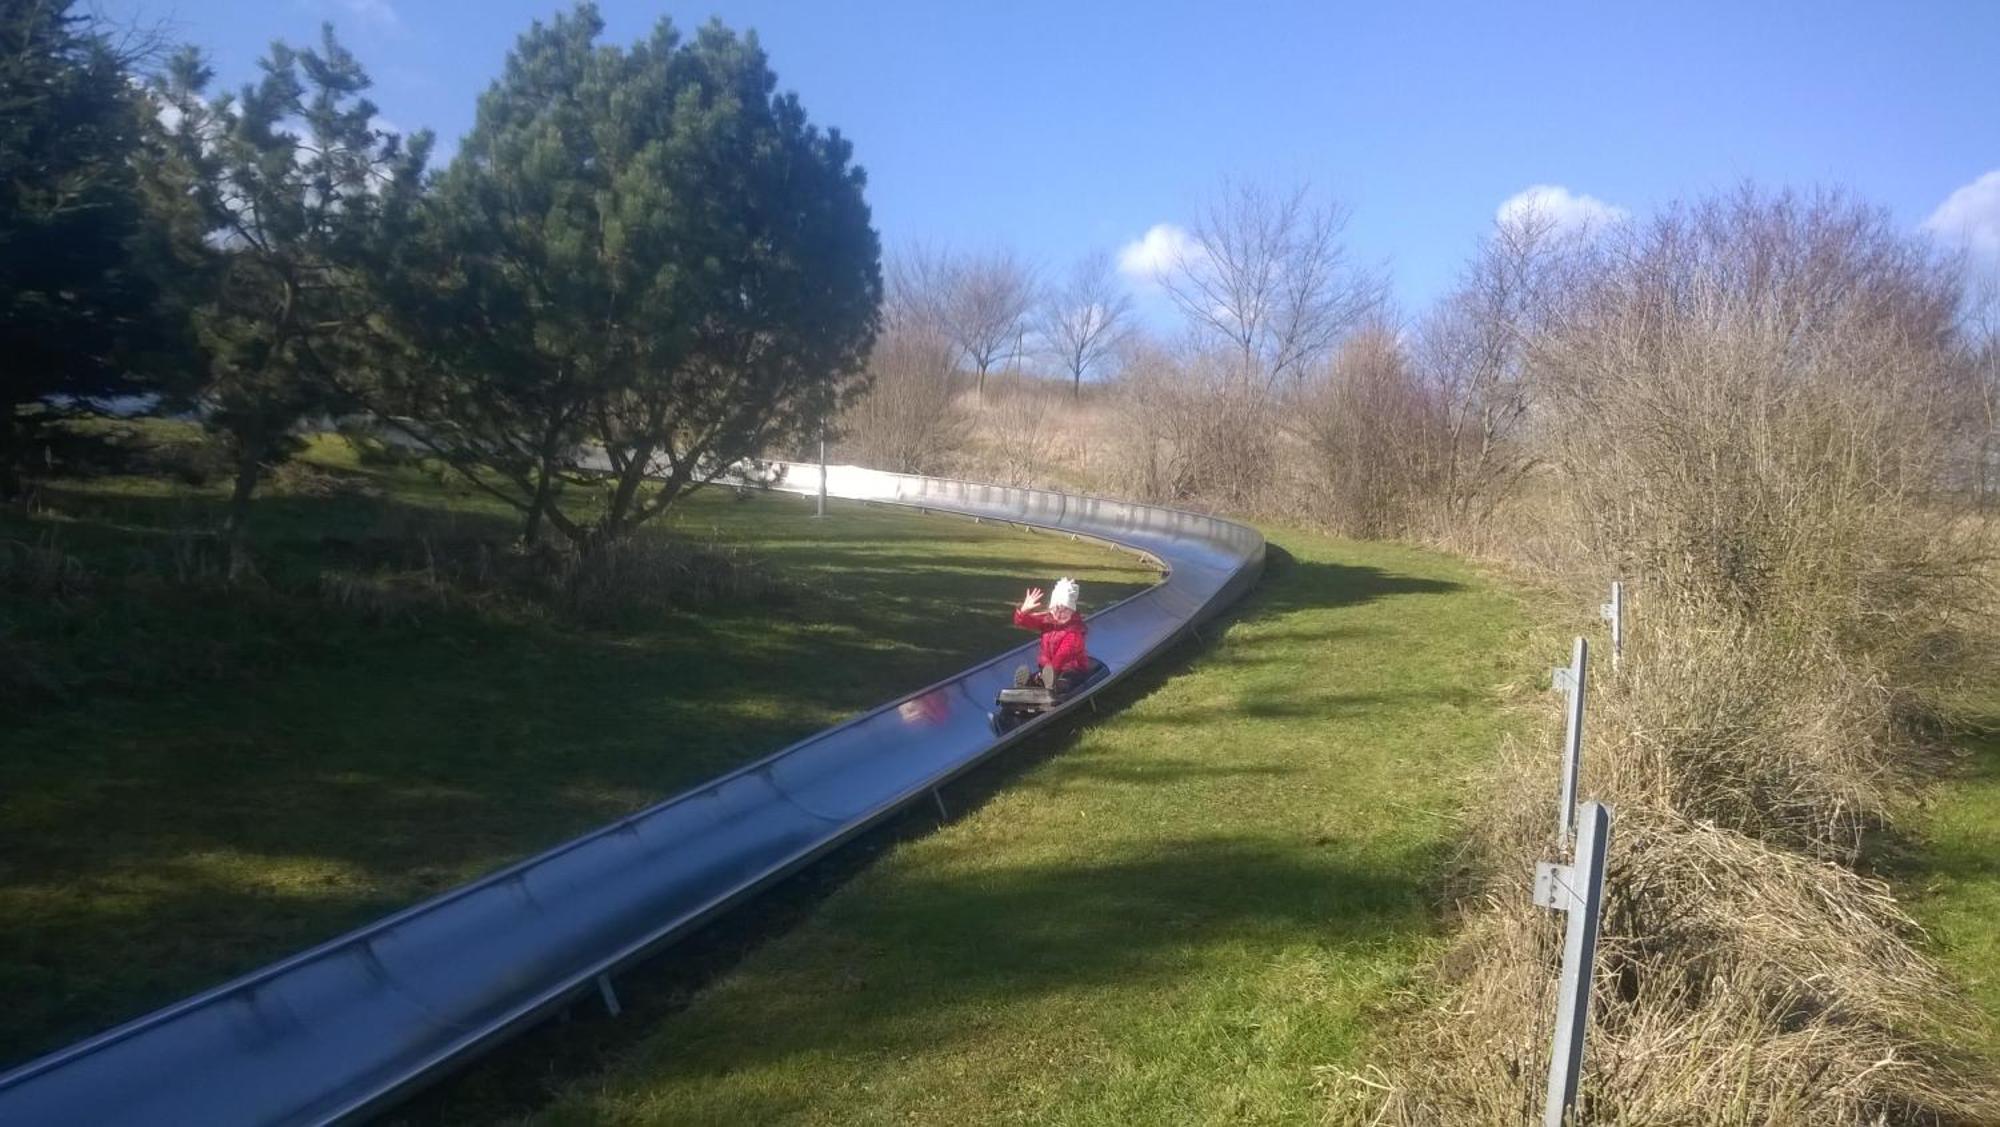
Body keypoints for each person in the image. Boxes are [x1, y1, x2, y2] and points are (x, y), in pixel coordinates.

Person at [1012, 577, 1089, 693]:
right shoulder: (1048, 621)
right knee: (1042, 676)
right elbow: (1022, 622)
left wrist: (1050, 671)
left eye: (1065, 610)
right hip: (1047, 669)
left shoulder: (1074, 630)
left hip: (1072, 668)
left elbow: (1062, 655)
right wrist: (1023, 611)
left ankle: (1055, 685)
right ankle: (1028, 682)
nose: (1059, 614)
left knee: (1067, 679)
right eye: (1056, 610)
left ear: (1072, 611)